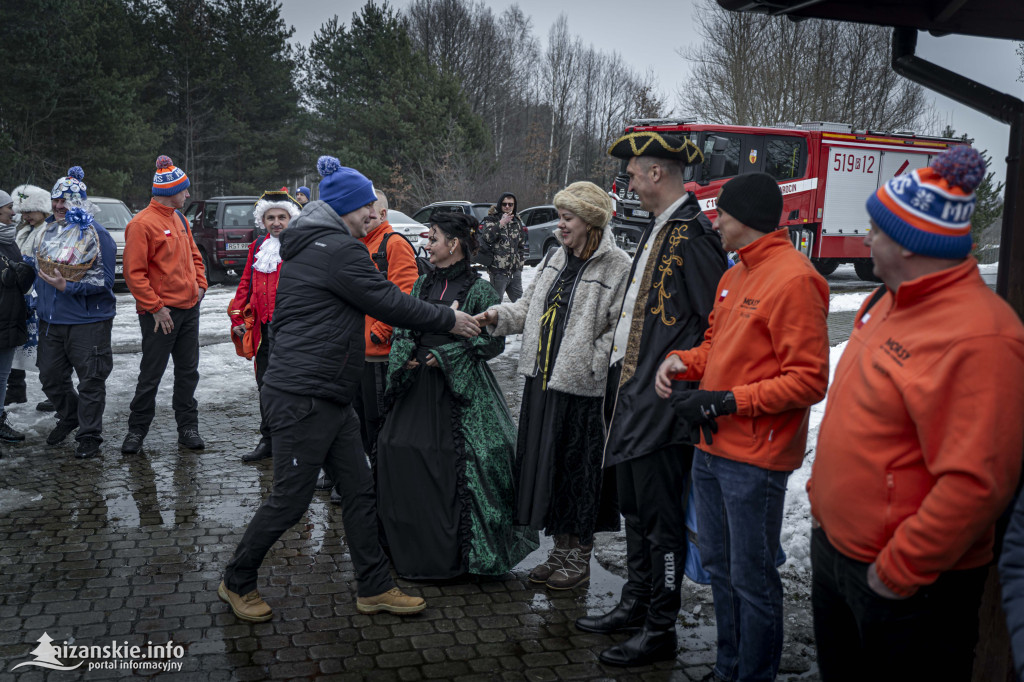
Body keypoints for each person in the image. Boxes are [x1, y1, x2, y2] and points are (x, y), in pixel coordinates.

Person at [219, 156, 482, 622]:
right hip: (304, 395)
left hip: (329, 395)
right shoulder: (335, 249)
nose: (374, 216)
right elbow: (386, 300)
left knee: (361, 491)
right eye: (367, 208)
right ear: (346, 207)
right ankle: (236, 579)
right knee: (290, 499)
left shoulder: (320, 244)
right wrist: (450, 319)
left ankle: (375, 586)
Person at [808, 146, 1024, 682]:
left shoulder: (982, 336)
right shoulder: (885, 300)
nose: (864, 240)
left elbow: (980, 482)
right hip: (839, 557)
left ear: (908, 244)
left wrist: (901, 569)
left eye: (875, 230)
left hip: (906, 587)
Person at [655, 173, 830, 681]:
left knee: (751, 579)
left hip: (755, 459)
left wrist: (727, 401)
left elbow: (808, 380)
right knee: (720, 570)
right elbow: (715, 345)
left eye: (723, 214)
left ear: (746, 218)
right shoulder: (734, 275)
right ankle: (728, 667)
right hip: (713, 449)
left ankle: (753, 675)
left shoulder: (795, 279)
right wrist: (682, 362)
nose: (716, 221)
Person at [574, 131, 728, 667]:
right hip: (633, 401)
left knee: (661, 524)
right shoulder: (659, 228)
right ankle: (635, 605)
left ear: (658, 173)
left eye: (635, 172)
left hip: (664, 408)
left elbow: (716, 325)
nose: (630, 181)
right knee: (636, 513)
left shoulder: (694, 235)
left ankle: (660, 629)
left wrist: (684, 377)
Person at [476, 181, 631, 589]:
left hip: (583, 390)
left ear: (591, 221)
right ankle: (558, 553)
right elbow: (529, 308)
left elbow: (623, 331)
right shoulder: (554, 259)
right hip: (542, 382)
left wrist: (591, 363)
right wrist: (496, 316)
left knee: (577, 473)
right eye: (560, 217)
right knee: (549, 470)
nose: (559, 225)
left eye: (567, 218)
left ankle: (578, 557)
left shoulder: (617, 265)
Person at [376, 212, 537, 580]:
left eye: (433, 238)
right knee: (396, 448)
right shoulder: (420, 285)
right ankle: (411, 551)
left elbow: (492, 342)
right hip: (416, 383)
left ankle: (459, 558)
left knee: (461, 460)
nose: (427, 245)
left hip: (459, 388)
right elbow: (403, 326)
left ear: (453, 244)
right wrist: (408, 357)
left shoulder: (479, 290)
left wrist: (446, 356)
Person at [320, 188, 421, 499]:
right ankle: (350, 473)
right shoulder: (355, 243)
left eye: (369, 210)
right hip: (352, 351)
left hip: (378, 353)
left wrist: (381, 331)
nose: (364, 216)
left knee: (377, 420)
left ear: (383, 214)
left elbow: (405, 292)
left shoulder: (394, 244)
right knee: (352, 418)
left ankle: (379, 478)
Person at [121, 156, 208, 454]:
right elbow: (134, 274)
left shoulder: (180, 218)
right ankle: (136, 430)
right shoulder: (141, 224)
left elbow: (196, 257)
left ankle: (187, 428)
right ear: (171, 190)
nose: (187, 195)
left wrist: (201, 285)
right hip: (160, 315)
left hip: (189, 309)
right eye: (184, 190)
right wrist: (156, 307)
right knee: (151, 374)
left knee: (188, 372)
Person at [32, 168, 118, 459]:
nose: (59, 206)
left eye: (66, 201)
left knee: (91, 380)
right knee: (50, 377)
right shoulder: (46, 231)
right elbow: (38, 271)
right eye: (56, 199)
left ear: (79, 203)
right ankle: (70, 415)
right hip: (51, 321)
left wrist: (66, 286)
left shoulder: (97, 235)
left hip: (88, 322)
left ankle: (89, 436)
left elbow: (105, 283)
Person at [229, 191, 300, 462]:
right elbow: (245, 284)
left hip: (292, 331)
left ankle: (293, 442)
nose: (276, 222)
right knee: (265, 385)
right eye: (271, 217)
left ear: (291, 219)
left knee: (293, 386)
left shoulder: (299, 246)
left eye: (282, 217)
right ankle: (269, 439)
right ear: (263, 220)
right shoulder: (258, 246)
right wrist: (238, 317)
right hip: (263, 332)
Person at [6, 184, 50, 408]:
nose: (26, 216)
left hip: (37, 296)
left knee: (43, 348)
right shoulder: (22, 231)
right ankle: (16, 390)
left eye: (30, 211)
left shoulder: (47, 231)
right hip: (21, 296)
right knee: (16, 344)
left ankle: (54, 393)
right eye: (22, 212)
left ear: (43, 209)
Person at [0, 190, 35, 442]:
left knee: (3, 375)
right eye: (9, 207)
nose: (14, 212)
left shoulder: (10, 239)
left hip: (10, 317)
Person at [480, 192, 527, 302]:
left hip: (514, 271)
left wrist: (519, 266)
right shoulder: (491, 219)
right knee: (495, 304)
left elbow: (521, 246)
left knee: (521, 304)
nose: (507, 207)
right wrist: (501, 223)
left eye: (510, 204)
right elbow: (487, 237)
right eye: (504, 204)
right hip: (498, 271)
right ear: (500, 204)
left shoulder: (517, 221)